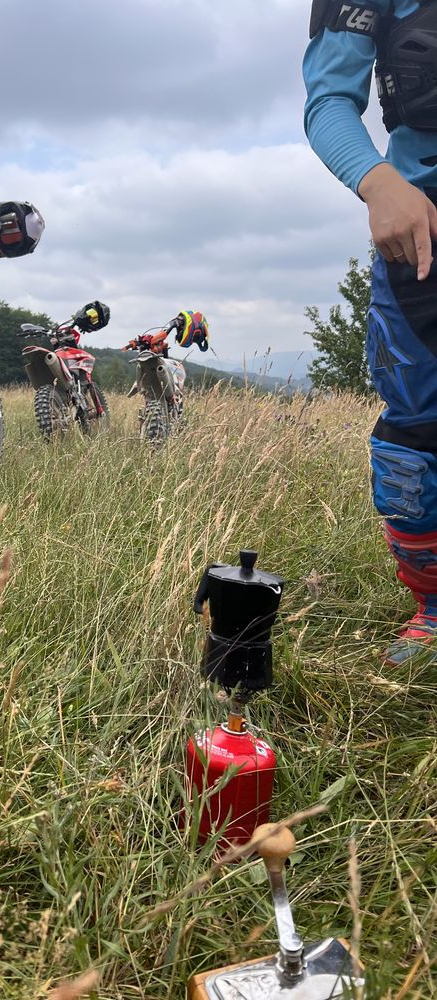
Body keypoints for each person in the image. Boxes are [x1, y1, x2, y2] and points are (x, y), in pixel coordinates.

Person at [304, 0, 437, 664]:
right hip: (420, 237)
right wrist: (377, 180)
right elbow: (328, 100)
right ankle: (433, 608)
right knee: (413, 445)